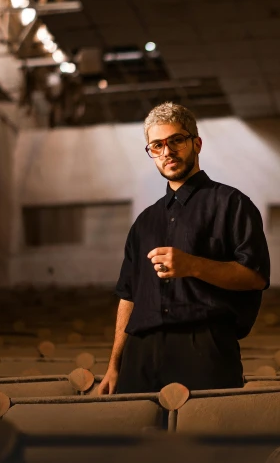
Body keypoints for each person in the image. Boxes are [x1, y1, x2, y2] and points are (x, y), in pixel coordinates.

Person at [98, 102, 270, 394]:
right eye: (156, 145)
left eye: (176, 140)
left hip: (204, 345)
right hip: (141, 353)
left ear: (196, 143)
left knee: (205, 439)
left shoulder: (232, 204)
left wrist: (193, 265)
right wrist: (115, 364)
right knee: (141, 439)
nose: (167, 152)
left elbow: (255, 277)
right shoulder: (144, 222)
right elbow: (128, 296)